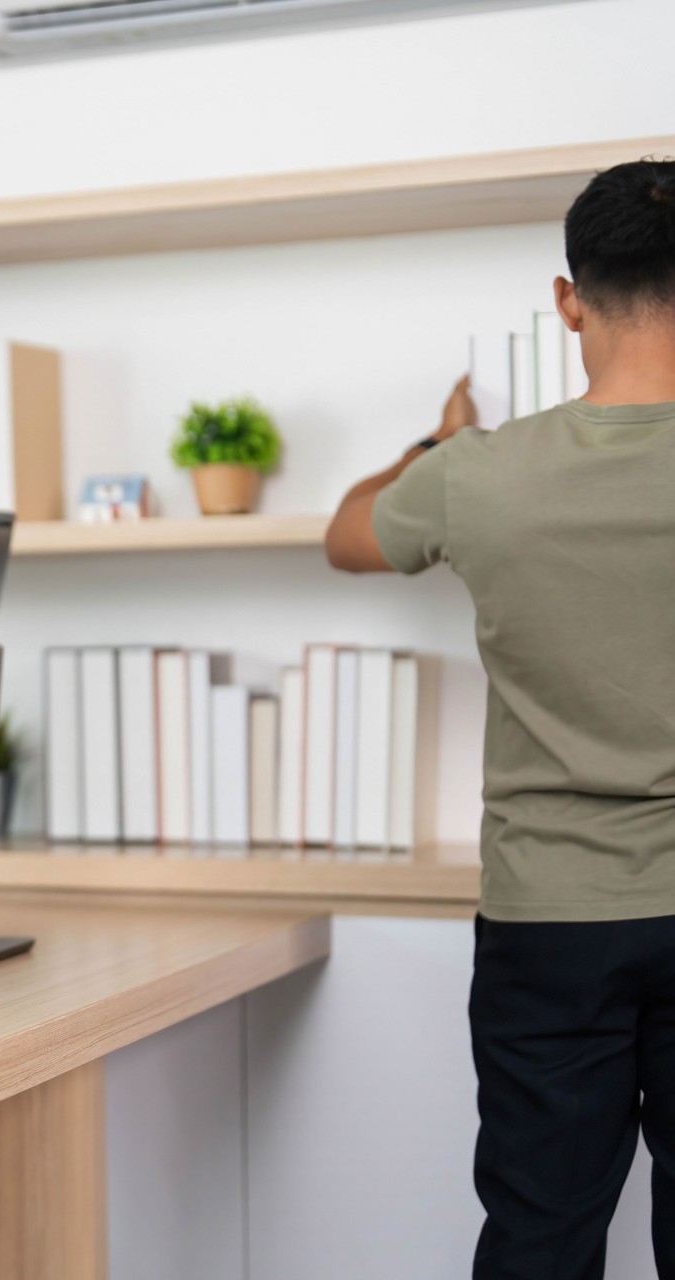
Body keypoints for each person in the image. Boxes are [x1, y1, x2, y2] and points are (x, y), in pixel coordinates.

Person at [327, 160, 675, 1279]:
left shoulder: (480, 477)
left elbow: (343, 535)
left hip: (548, 919)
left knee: (539, 1232)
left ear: (568, 299)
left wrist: (437, 444)